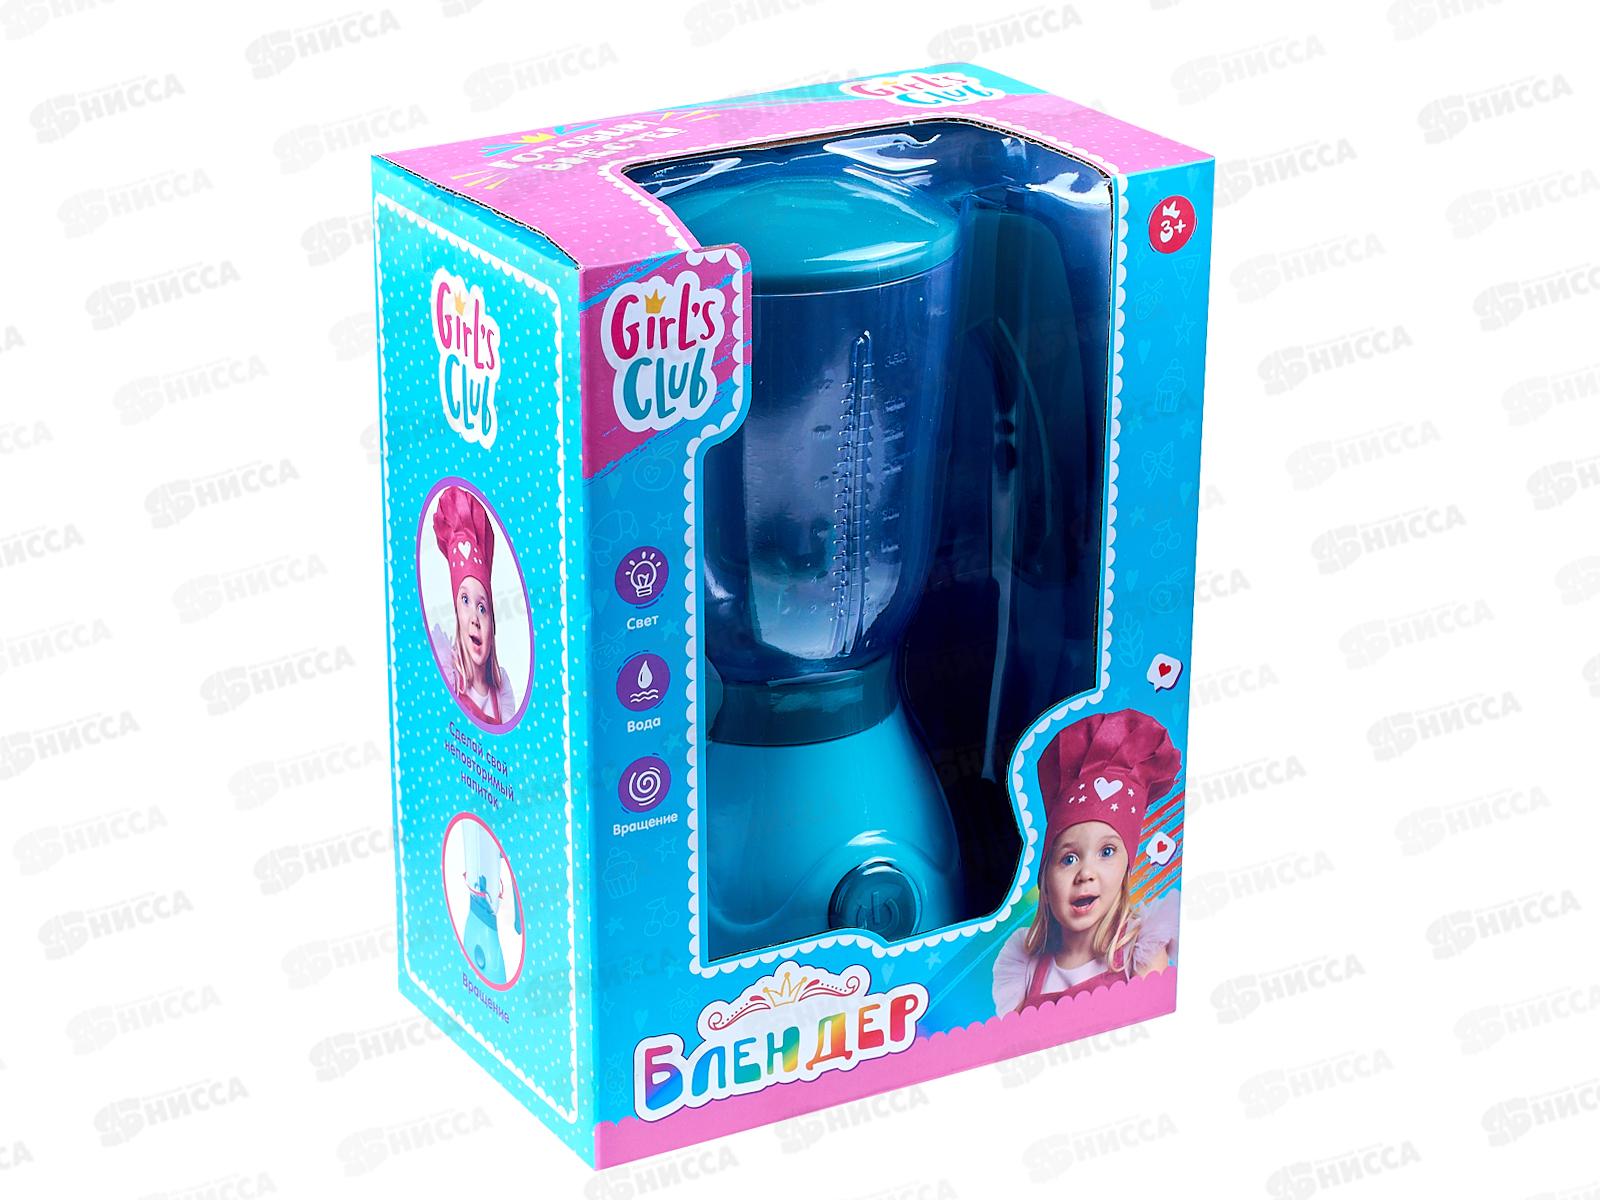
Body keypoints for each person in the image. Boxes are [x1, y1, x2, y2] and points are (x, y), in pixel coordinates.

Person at [993, 709, 1181, 1014]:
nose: (1086, 874)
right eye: (1068, 858)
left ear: (1126, 870)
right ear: (1045, 880)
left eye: (1107, 852)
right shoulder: (1026, 971)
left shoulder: (1140, 954)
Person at [429, 486, 516, 724]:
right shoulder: (450, 676)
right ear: (457, 613)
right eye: (465, 600)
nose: (475, 619)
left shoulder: (501, 693)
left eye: (482, 608)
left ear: (492, 624)